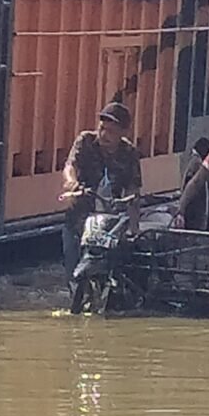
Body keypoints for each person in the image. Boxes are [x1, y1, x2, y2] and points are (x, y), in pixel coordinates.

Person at [59, 102, 144, 284]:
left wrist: (133, 227)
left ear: (124, 133)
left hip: (109, 220)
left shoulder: (130, 153)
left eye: (111, 131)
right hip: (79, 216)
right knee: (72, 267)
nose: (104, 135)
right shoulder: (86, 141)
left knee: (115, 264)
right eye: (102, 129)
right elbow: (70, 165)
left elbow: (133, 189)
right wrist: (71, 183)